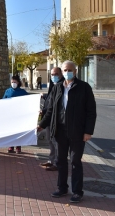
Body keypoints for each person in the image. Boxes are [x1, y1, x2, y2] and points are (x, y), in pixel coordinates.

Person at [37, 60, 96, 203]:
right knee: (61, 161)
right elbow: (50, 110)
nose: (67, 72)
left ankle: (77, 192)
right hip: (60, 131)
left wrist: (88, 132)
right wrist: (41, 125)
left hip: (77, 132)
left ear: (75, 71)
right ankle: (62, 188)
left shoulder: (84, 87)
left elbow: (91, 112)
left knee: (76, 161)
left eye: (69, 70)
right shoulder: (57, 88)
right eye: (64, 70)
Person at [39, 67, 64, 171]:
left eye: (56, 74)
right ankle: (51, 160)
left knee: (55, 142)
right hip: (49, 120)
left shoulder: (62, 86)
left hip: (56, 121)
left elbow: (56, 106)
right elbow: (50, 101)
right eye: (52, 75)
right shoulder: (53, 86)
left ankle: (58, 163)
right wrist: (44, 97)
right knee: (50, 140)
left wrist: (42, 122)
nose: (54, 76)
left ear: (61, 74)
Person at [3, 75, 28, 154]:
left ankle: (18, 146)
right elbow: (3, 101)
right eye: (12, 82)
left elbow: (29, 100)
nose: (13, 83)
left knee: (18, 131)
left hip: (19, 115)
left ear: (18, 82)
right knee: (10, 131)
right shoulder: (7, 91)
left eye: (15, 82)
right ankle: (11, 146)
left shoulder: (22, 92)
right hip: (10, 115)